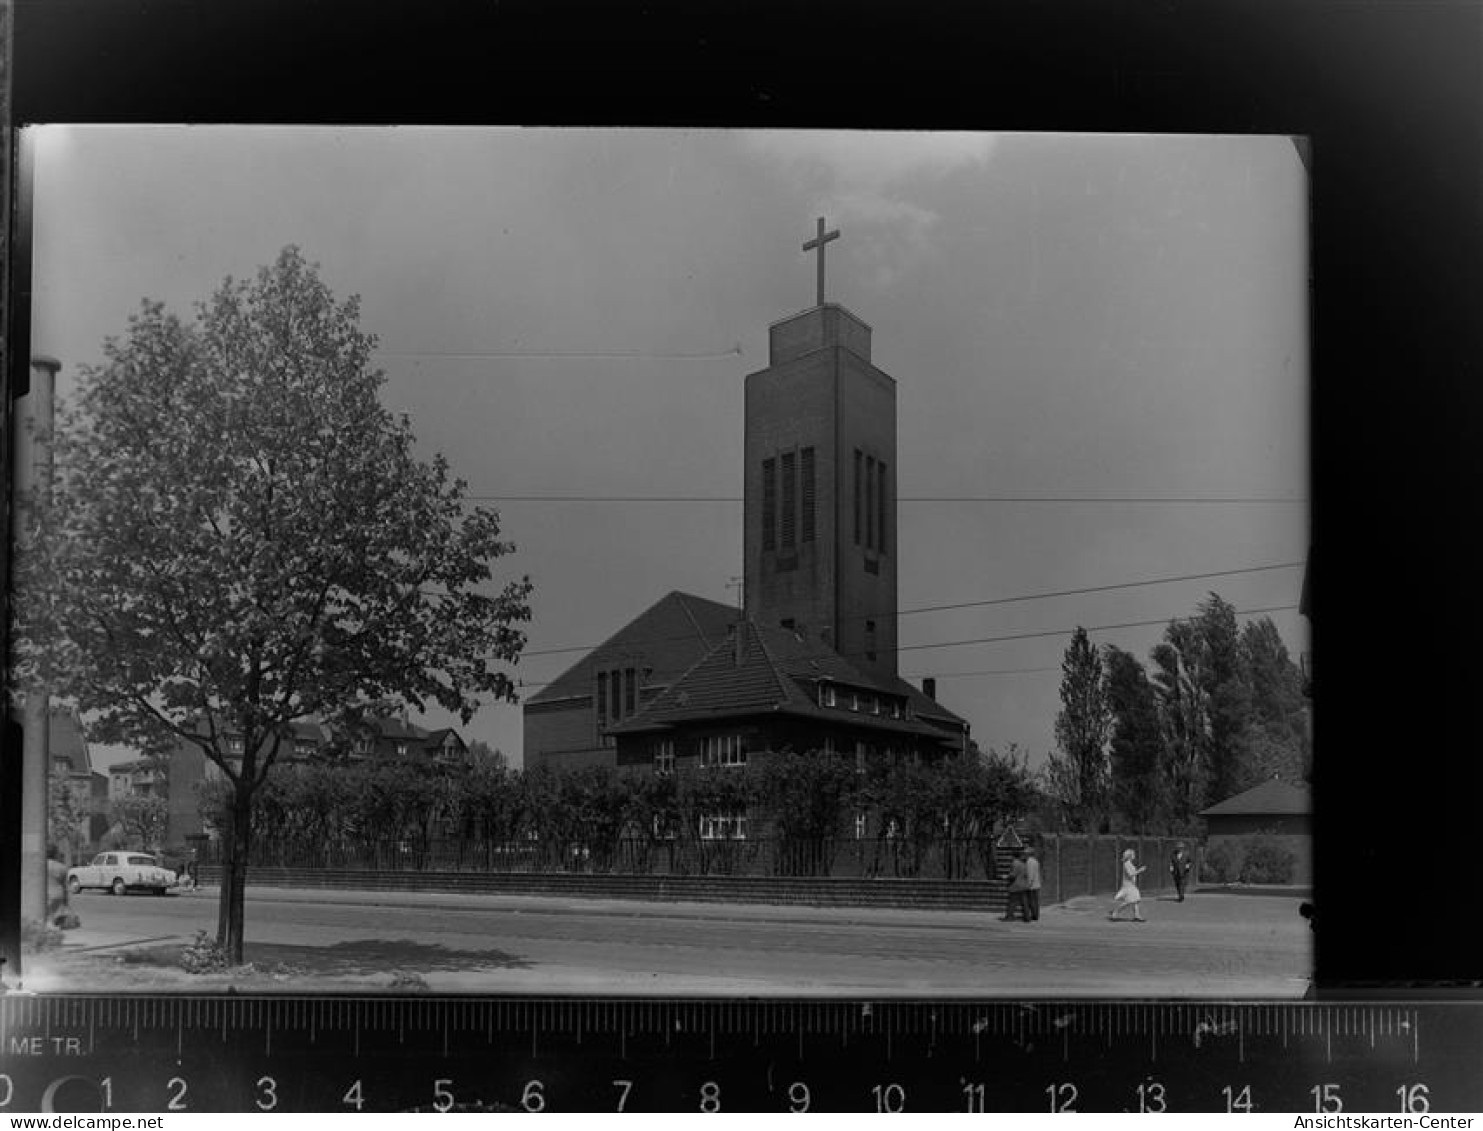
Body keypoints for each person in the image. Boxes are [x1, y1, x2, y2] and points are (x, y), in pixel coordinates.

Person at [1108, 848, 1147, 922]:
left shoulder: (1129, 864)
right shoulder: (1126, 864)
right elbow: (1130, 874)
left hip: (1132, 885)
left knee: (1136, 900)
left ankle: (1137, 915)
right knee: (1129, 901)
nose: (1134, 856)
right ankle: (1115, 912)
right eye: (1133, 854)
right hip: (1128, 886)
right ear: (1129, 856)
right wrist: (1140, 870)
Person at [1003, 849, 1029, 921]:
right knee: (1024, 902)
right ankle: (1027, 917)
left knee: (1012, 902)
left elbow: (1013, 875)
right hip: (1023, 885)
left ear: (1013, 856)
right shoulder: (1023, 863)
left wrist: (1006, 876)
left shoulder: (1015, 863)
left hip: (1015, 886)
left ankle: (1009, 917)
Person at [1024, 846, 1042, 921]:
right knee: (1036, 901)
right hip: (1037, 884)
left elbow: (1030, 874)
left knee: (1032, 901)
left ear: (1029, 854)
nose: (1024, 854)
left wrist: (1028, 884)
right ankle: (1036, 915)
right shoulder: (1035, 861)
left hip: (1032, 885)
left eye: (1025, 853)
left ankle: (1034, 915)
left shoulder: (1029, 862)